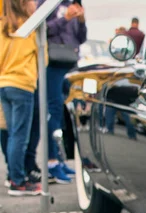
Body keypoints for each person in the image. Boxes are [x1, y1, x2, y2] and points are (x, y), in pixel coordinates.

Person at [35, 0, 87, 184]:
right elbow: (42, 30)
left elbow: (81, 38)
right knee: (53, 110)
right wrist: (65, 18)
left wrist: (80, 20)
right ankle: (51, 161)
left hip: (71, 63)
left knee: (65, 114)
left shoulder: (73, 3)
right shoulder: (47, 4)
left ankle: (60, 159)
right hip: (53, 64)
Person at [0, 0, 44, 196]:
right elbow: (44, 57)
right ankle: (18, 181)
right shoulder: (31, 27)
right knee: (19, 136)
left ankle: (12, 176)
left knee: (12, 134)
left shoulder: (2, 25)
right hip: (23, 85)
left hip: (4, 84)